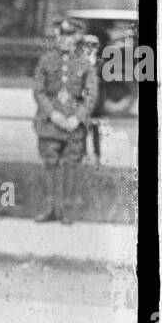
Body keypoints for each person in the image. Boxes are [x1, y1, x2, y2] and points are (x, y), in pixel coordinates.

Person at [32, 16, 97, 224]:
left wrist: (77, 118)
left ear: (78, 37)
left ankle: (66, 211)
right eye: (61, 35)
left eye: (70, 35)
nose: (64, 39)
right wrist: (53, 113)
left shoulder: (85, 64)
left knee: (71, 165)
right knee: (50, 164)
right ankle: (51, 208)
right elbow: (39, 90)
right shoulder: (46, 60)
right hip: (50, 122)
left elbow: (91, 93)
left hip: (73, 126)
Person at [81, 33, 105, 164]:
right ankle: (84, 155)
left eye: (94, 45)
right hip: (82, 101)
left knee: (95, 129)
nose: (91, 48)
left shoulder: (101, 63)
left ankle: (97, 156)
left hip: (96, 102)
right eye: (87, 45)